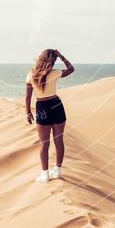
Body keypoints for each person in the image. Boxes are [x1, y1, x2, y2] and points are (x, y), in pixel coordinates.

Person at [25, 48, 75, 182]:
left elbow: (28, 96)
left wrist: (28, 112)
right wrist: (62, 56)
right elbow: (71, 69)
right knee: (59, 141)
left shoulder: (31, 74)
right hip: (56, 106)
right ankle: (57, 171)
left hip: (42, 108)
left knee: (44, 144)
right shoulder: (55, 73)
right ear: (53, 61)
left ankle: (45, 174)